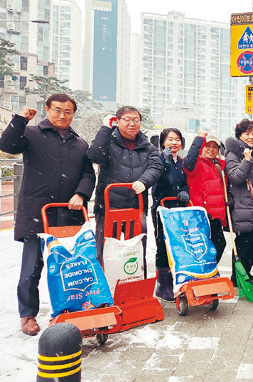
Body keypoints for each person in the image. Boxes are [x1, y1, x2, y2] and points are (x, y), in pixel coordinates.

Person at [0, 94, 96, 335]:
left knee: (71, 265)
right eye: (57, 110)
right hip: (37, 212)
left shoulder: (80, 143)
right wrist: (20, 119)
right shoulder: (31, 133)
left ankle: (73, 307)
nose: (62, 115)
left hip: (68, 214)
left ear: (73, 114)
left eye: (68, 111)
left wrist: (82, 194)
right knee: (31, 267)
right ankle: (28, 314)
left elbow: (88, 174)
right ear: (47, 110)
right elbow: (7, 145)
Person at [87, 106, 163, 270]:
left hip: (136, 208)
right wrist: (105, 129)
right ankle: (106, 290)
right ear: (117, 121)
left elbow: (156, 167)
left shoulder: (148, 147)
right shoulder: (108, 141)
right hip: (108, 208)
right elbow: (95, 155)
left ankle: (135, 289)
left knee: (136, 254)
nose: (132, 124)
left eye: (136, 120)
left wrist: (144, 181)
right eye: (127, 120)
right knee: (106, 252)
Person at [225, 119, 253, 284]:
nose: (251, 137)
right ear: (239, 135)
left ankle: (246, 274)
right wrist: (246, 161)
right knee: (243, 243)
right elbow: (236, 178)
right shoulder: (234, 154)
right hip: (243, 207)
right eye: (247, 133)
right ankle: (237, 278)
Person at [151, 128, 189, 301]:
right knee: (163, 244)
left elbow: (184, 181)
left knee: (179, 244)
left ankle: (178, 280)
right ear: (163, 142)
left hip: (179, 208)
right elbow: (159, 180)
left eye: (177, 139)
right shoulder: (157, 160)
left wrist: (185, 191)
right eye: (170, 139)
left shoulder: (181, 162)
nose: (174, 143)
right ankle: (163, 285)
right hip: (162, 208)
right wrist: (165, 162)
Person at [184, 130, 227, 265]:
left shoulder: (219, 166)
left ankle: (208, 271)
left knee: (219, 245)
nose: (211, 149)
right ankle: (202, 272)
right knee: (200, 248)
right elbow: (189, 159)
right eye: (208, 146)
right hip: (200, 214)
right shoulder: (195, 165)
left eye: (215, 147)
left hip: (215, 216)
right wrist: (199, 139)